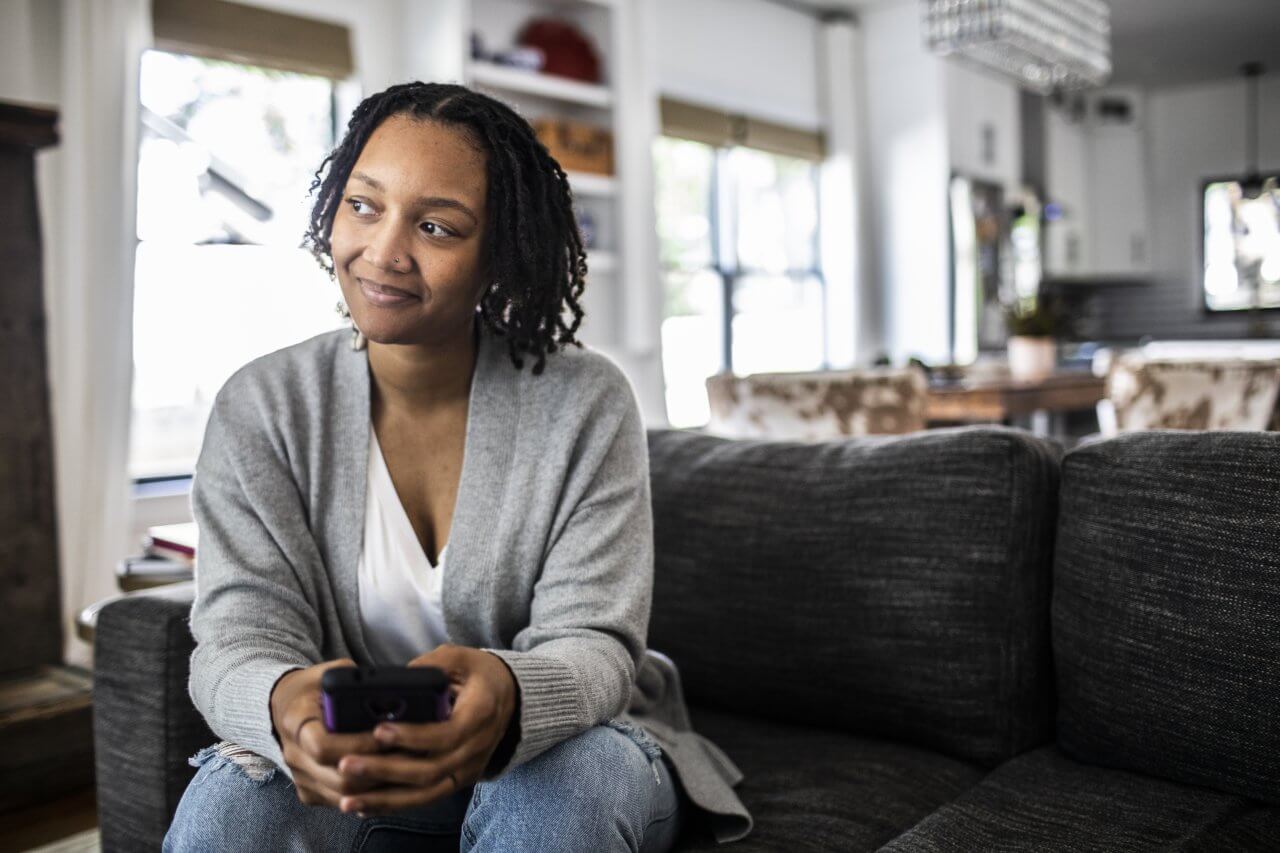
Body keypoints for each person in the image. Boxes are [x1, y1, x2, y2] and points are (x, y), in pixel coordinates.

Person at [163, 81, 752, 852]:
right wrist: (281, 703)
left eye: (436, 226)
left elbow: (597, 644)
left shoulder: (585, 401)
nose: (383, 251)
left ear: (497, 256)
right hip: (356, 757)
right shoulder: (263, 405)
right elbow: (237, 635)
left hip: (565, 744)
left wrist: (510, 693)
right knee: (228, 812)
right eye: (364, 205)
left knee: (566, 790)